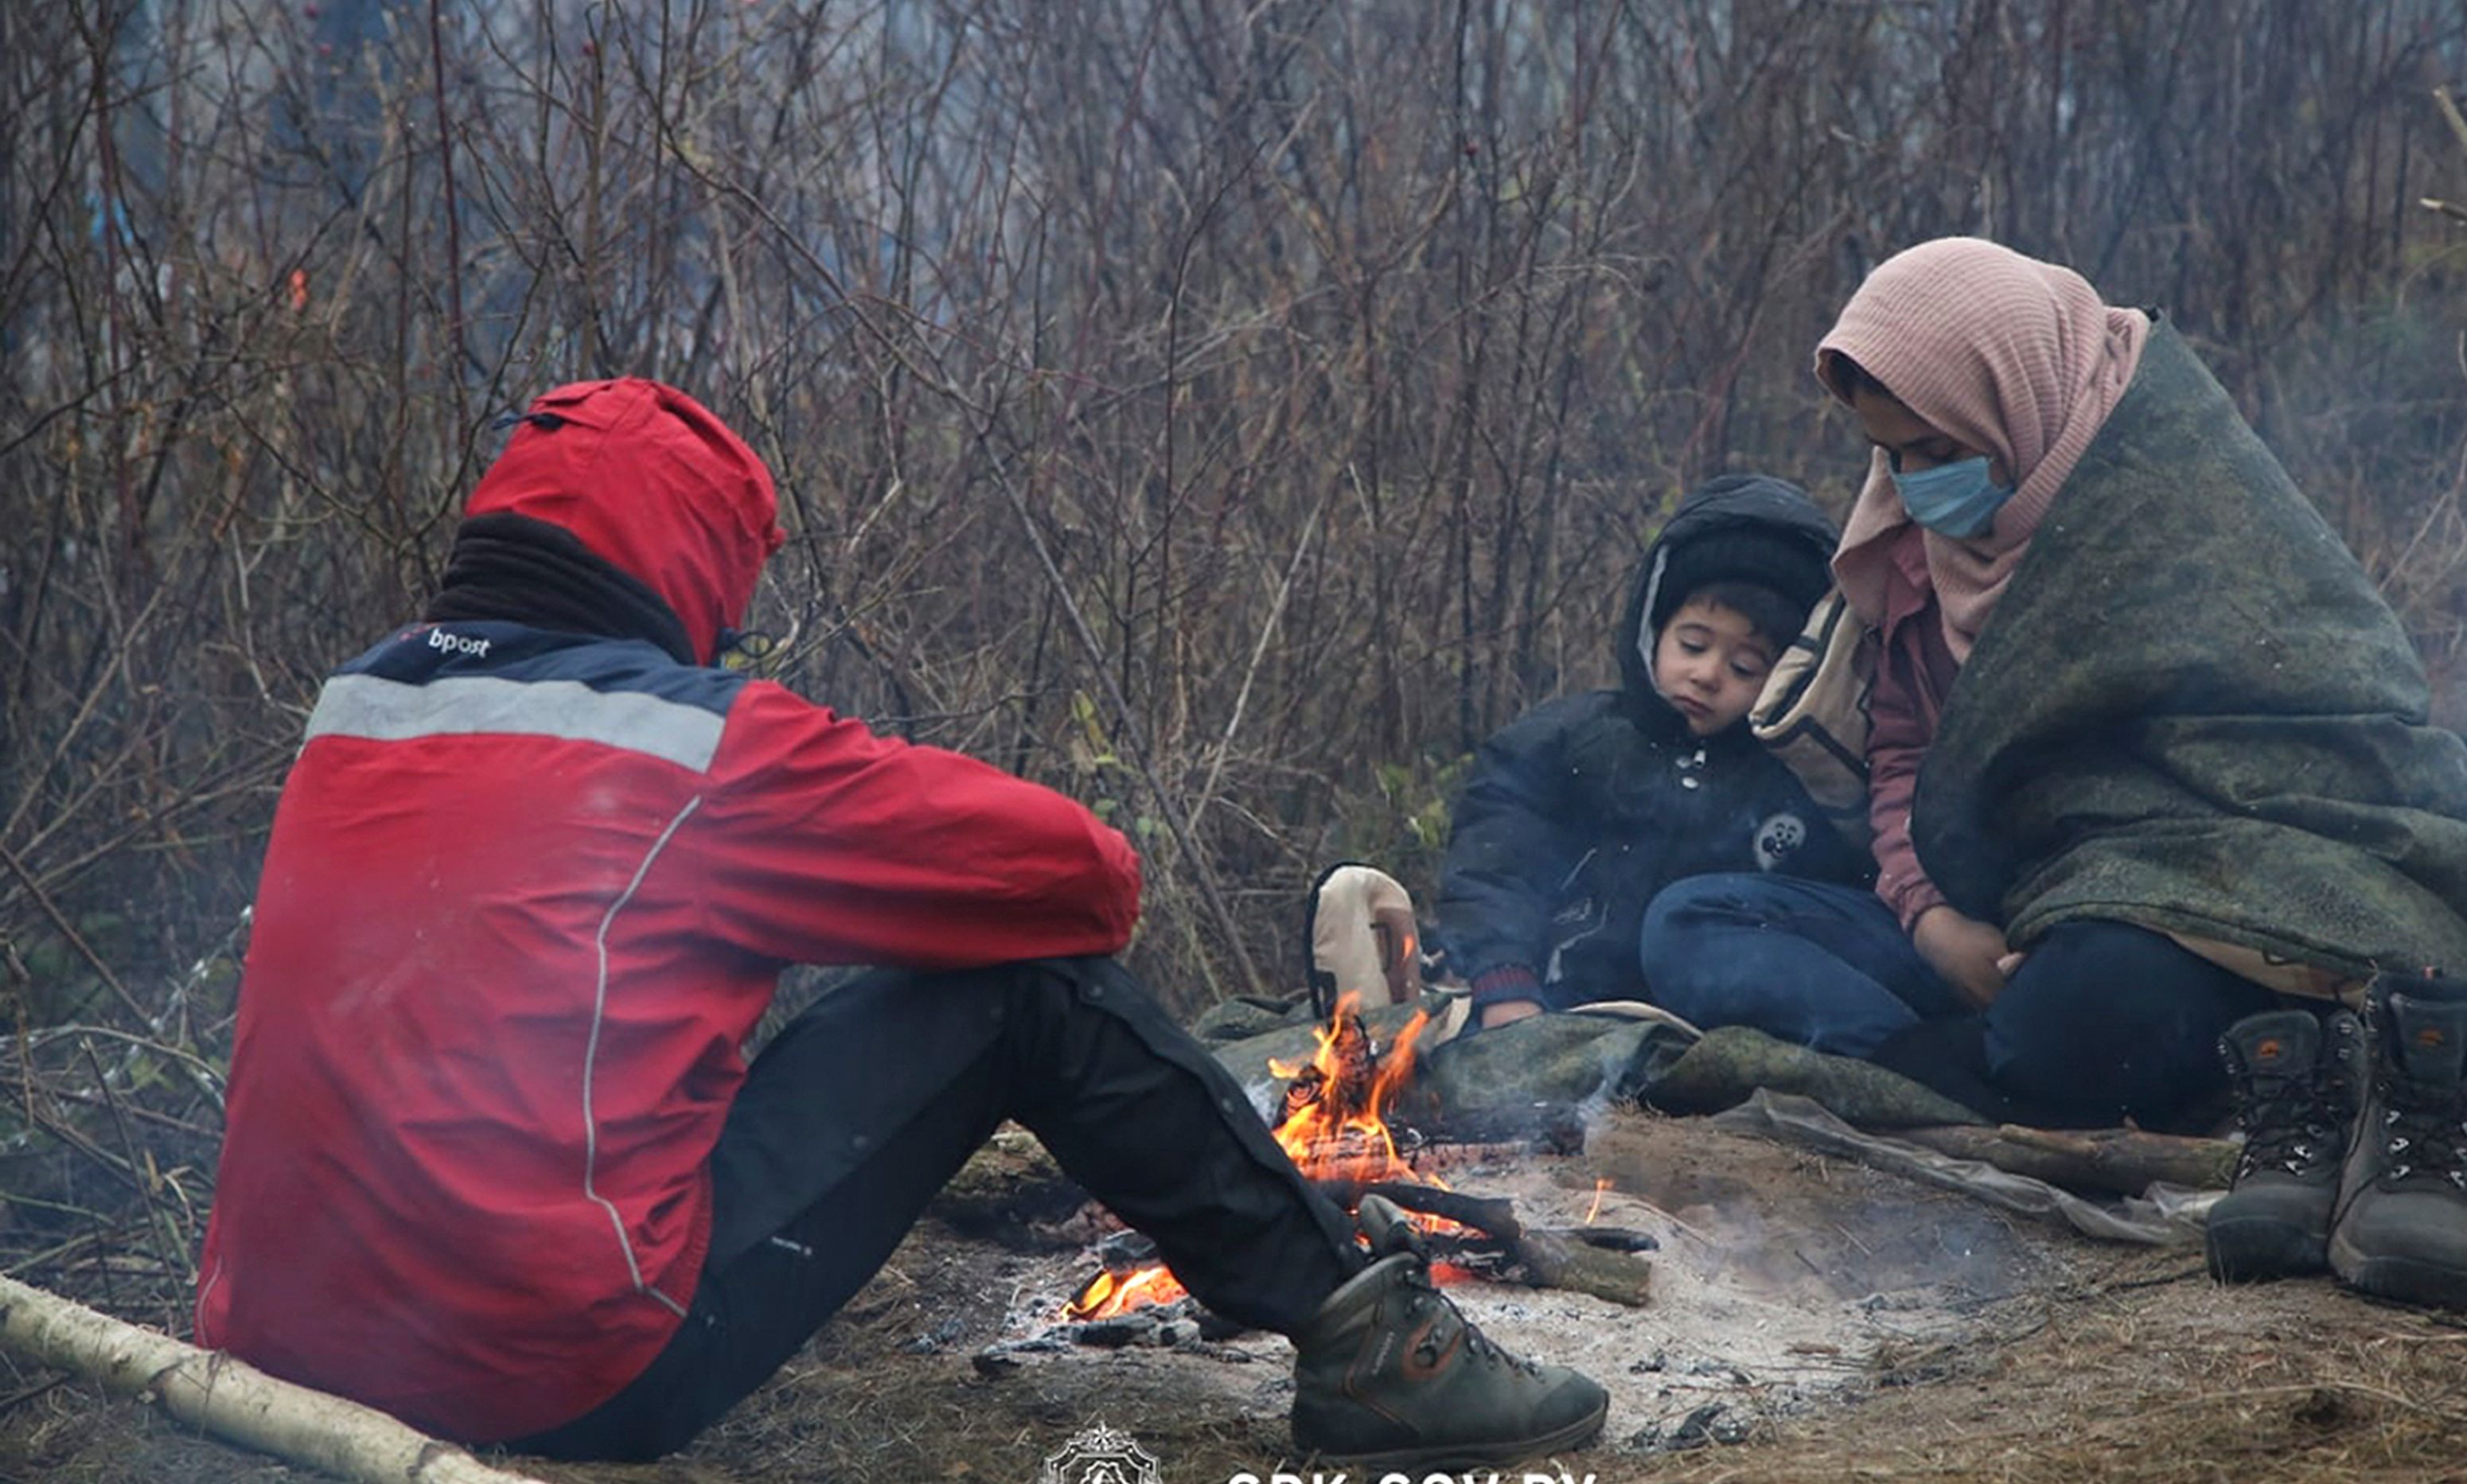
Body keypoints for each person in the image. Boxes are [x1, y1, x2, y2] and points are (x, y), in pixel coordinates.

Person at [192, 378, 1606, 1467]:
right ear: (688, 567)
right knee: (1032, 989)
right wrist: (829, 877)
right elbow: (1085, 877)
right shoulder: (691, 741)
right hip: (560, 1375)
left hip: (282, 1358)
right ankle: (1374, 1353)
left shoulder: (354, 711)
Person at [1642, 239, 2467, 1310]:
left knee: (2086, 1017)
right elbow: (1904, 756)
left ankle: (2115, 1061)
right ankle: (2022, 1056)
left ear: (2010, 399)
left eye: (1932, 450)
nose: (1910, 487)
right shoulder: (1911, 550)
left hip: (2198, 890)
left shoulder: (2168, 494)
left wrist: (2089, 909)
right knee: (1692, 920)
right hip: (1994, 903)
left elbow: (2323, 708)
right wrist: (1926, 923)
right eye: (1887, 456)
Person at [1435, 473, 1873, 1033]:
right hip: (1546, 1005)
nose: (1707, 674)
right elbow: (1495, 862)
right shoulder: (1577, 738)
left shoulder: (1799, 780)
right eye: (1691, 644)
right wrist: (1504, 982)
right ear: (1653, 628)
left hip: (1698, 1027)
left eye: (1745, 667)